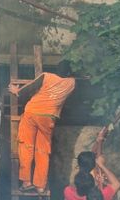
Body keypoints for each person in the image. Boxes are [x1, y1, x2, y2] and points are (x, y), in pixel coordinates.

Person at [8, 63, 76, 193]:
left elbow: (29, 88)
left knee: (26, 146)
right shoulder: (71, 83)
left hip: (32, 113)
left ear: (56, 70)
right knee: (43, 151)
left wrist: (16, 91)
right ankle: (40, 185)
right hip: (49, 118)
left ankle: (26, 182)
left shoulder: (47, 76)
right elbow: (73, 77)